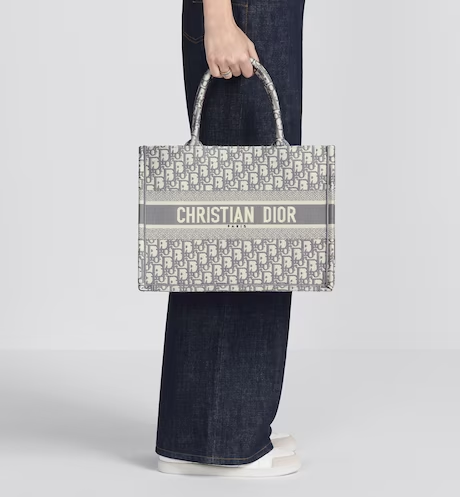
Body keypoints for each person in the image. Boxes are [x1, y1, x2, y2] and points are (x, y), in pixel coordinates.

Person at [155, 0, 306, 477]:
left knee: (255, 221)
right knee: (238, 231)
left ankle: (221, 426)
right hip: (245, 11)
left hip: (258, 12)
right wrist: (219, 18)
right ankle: (214, 441)